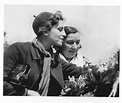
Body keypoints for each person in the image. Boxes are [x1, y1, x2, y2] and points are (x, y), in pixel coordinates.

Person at [3, 11, 84, 96]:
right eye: (60, 29)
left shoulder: (54, 59)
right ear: (45, 31)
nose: (64, 34)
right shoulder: (19, 50)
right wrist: (26, 92)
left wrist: (96, 71)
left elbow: (77, 71)